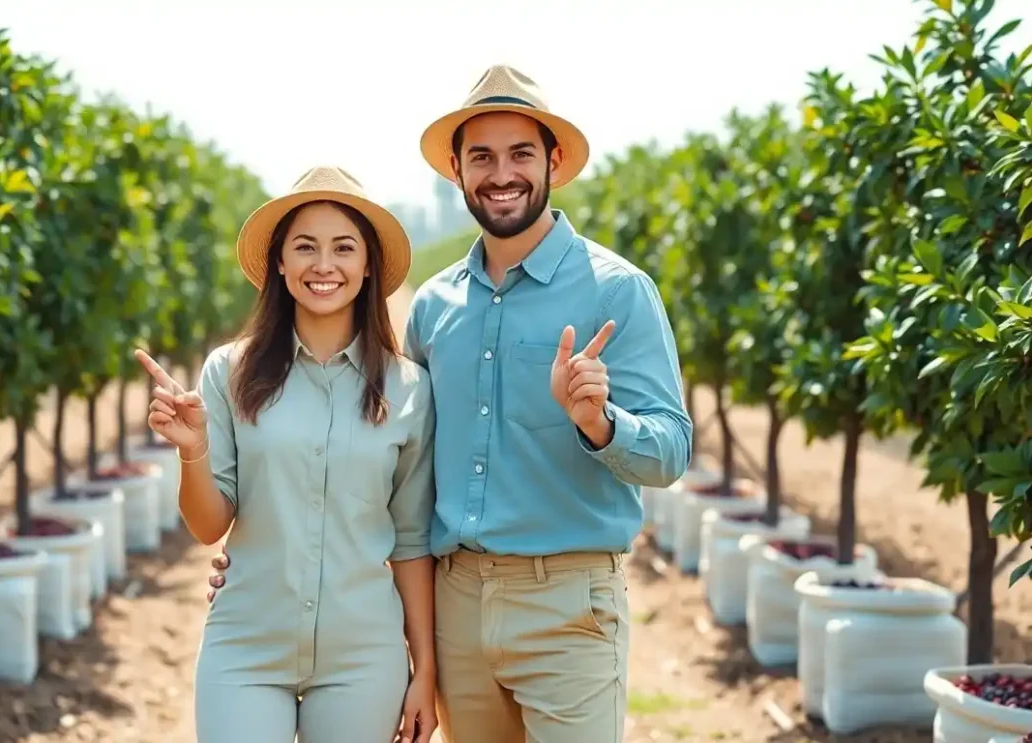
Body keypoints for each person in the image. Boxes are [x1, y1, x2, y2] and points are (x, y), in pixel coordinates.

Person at [209, 65, 692, 742]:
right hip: (456, 602)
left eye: (521, 153)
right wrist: (273, 552)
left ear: (553, 161)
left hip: (568, 606)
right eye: (482, 158)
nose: (502, 174)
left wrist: (601, 422)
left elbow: (672, 449)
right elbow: (397, 469)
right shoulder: (435, 307)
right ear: (458, 173)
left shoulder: (617, 290)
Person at [135, 165, 439, 743]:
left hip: (364, 656)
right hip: (246, 646)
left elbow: (411, 542)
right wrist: (193, 450)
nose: (324, 265)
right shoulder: (229, 372)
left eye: (343, 248)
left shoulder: (409, 390)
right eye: (305, 247)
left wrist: (424, 669)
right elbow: (207, 527)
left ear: (368, 264)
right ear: (279, 262)